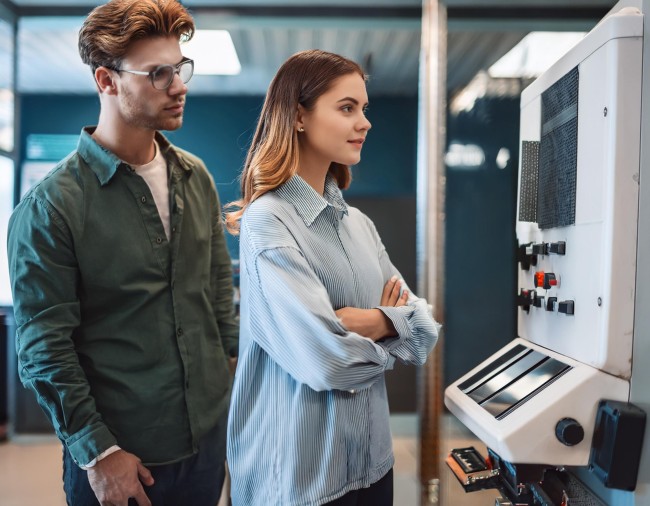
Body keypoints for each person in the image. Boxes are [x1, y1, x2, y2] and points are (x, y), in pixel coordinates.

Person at [7, 1, 238, 504]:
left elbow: (218, 287)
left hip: (207, 441)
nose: (179, 86)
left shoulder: (195, 177)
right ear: (107, 81)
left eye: (179, 69)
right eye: (158, 74)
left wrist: (230, 376)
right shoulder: (50, 207)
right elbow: (45, 347)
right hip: (122, 457)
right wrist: (98, 451)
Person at [225, 49, 440, 506]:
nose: (365, 122)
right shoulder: (269, 221)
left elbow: (424, 329)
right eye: (347, 108)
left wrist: (375, 324)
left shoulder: (359, 224)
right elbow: (327, 362)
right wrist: (391, 333)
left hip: (373, 465)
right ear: (299, 116)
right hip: (302, 481)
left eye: (364, 109)